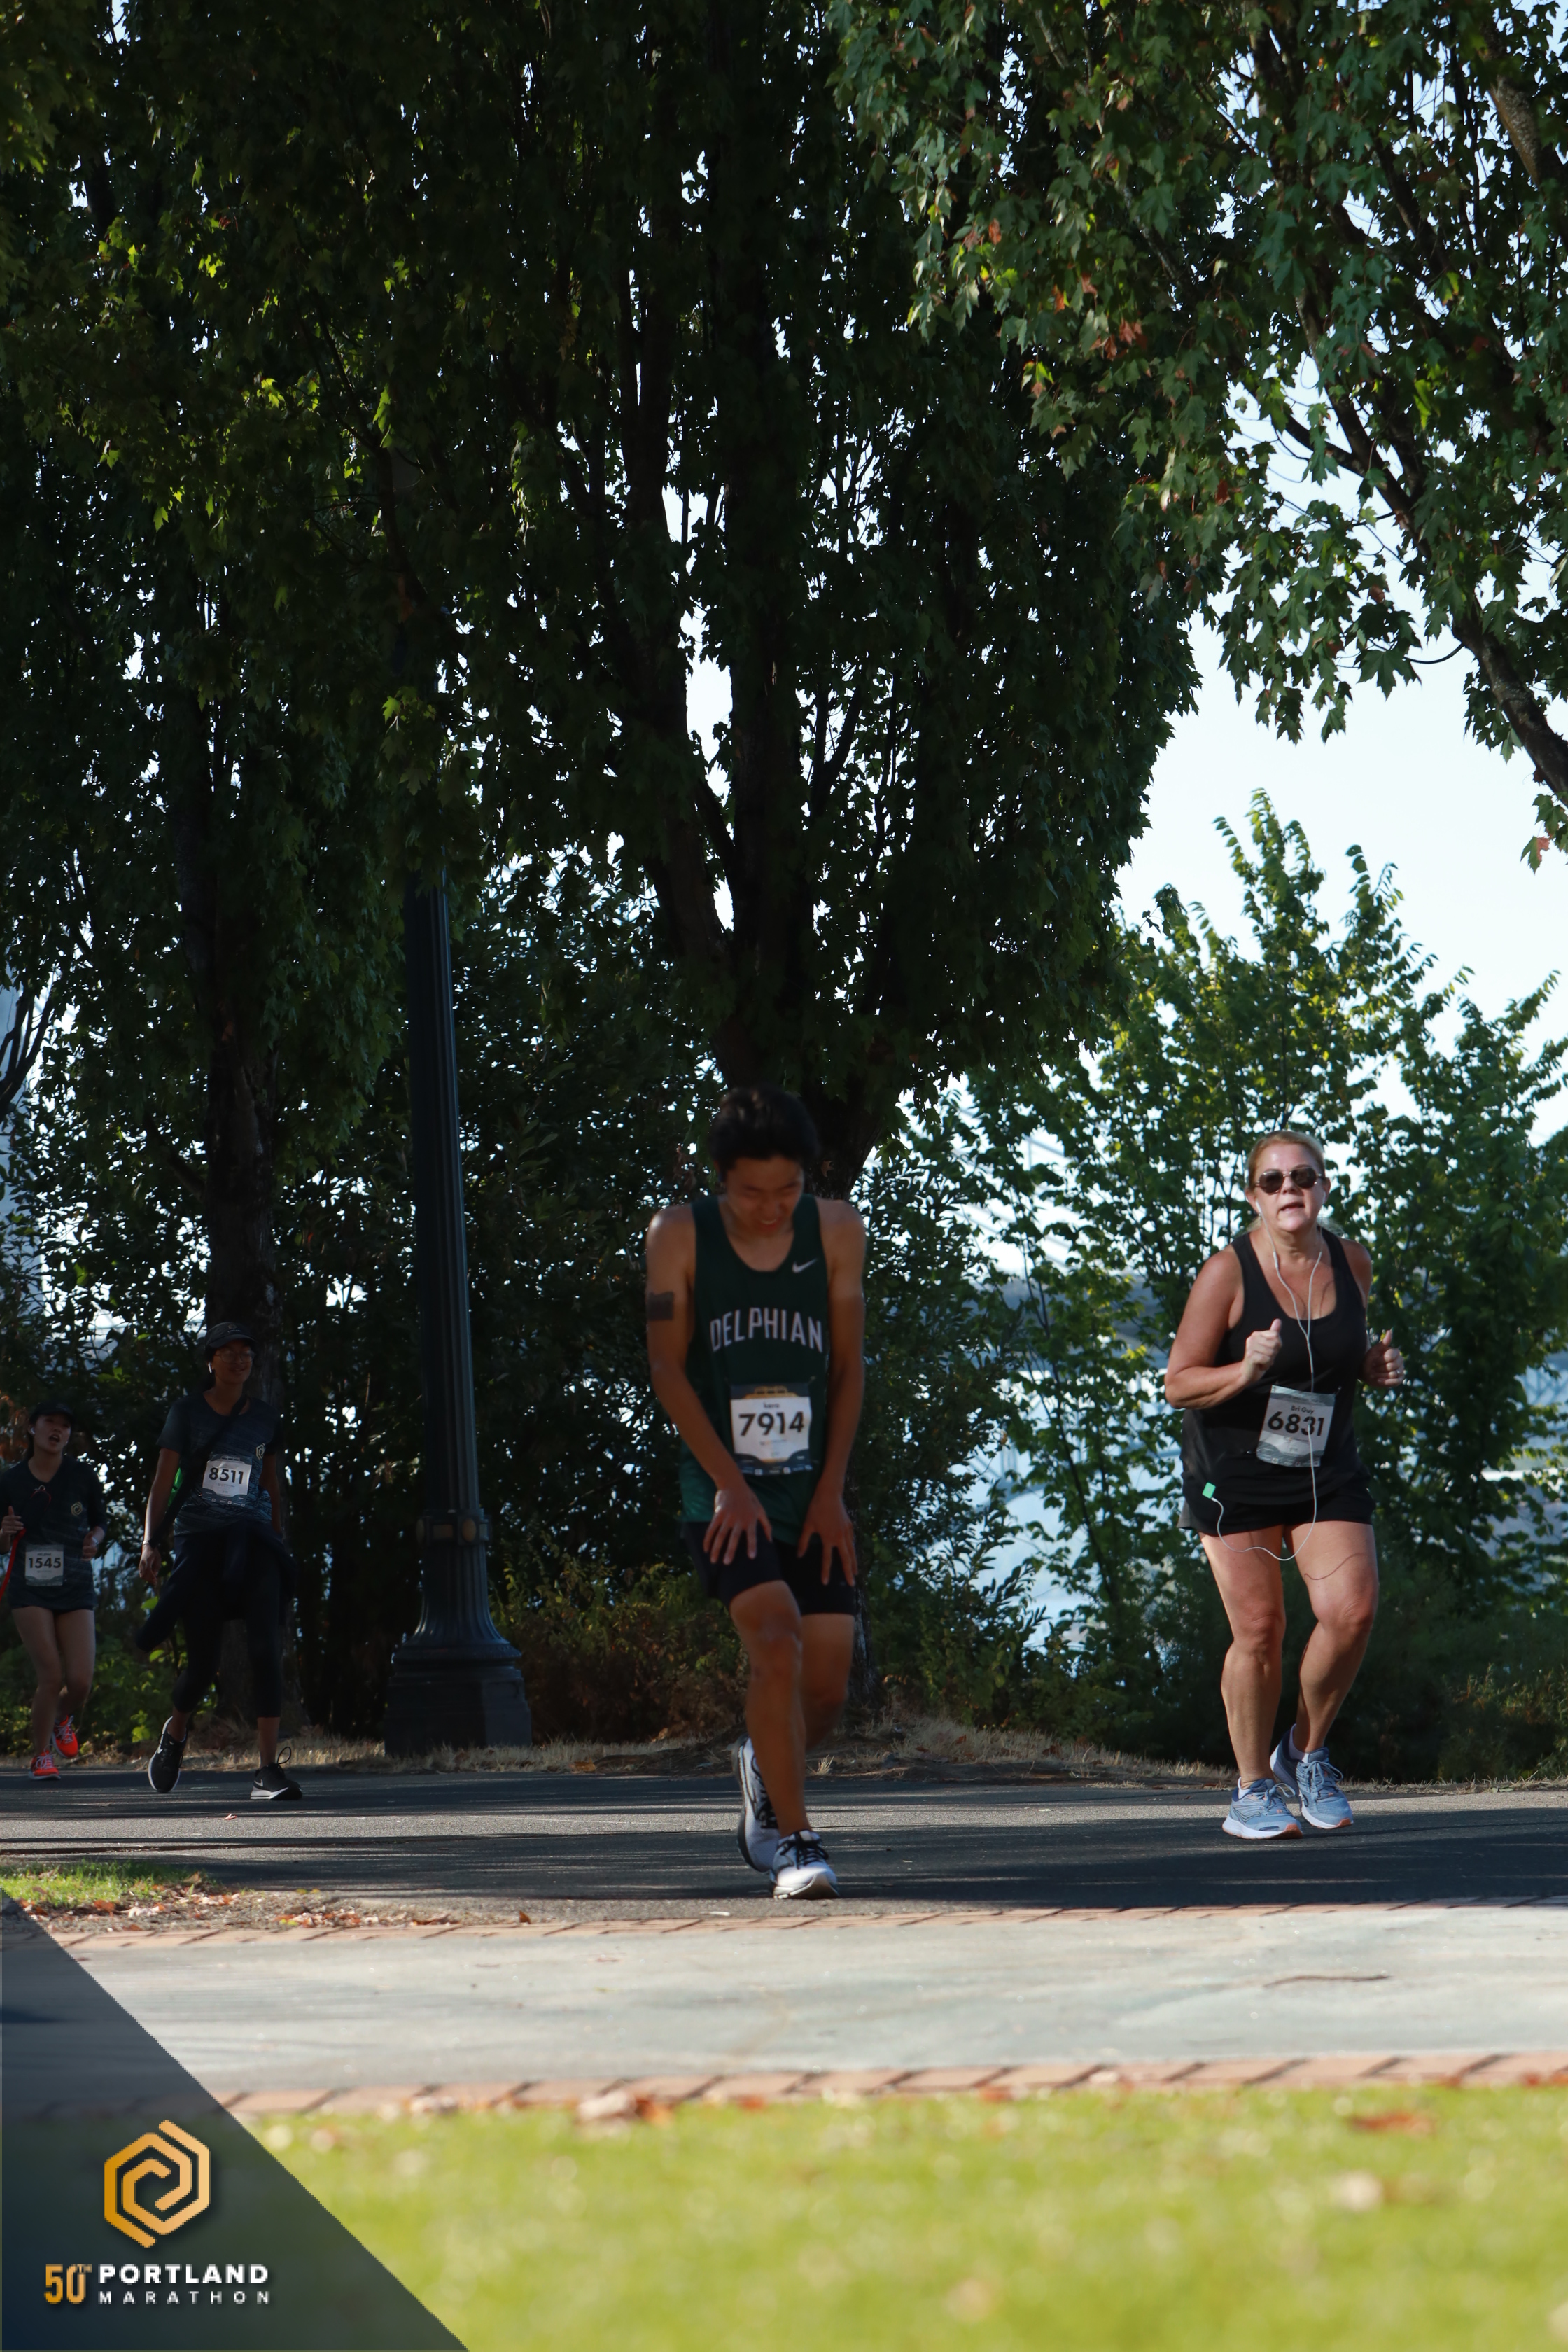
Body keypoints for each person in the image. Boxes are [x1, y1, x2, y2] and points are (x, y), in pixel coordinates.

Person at [645, 1084, 866, 1898]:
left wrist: (831, 1490)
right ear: (719, 1182)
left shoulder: (836, 1231)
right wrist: (728, 1485)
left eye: (787, 1190)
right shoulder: (677, 1235)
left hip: (810, 1490)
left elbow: (847, 1368)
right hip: (721, 1490)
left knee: (826, 1688)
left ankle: (761, 1763)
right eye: (750, 1193)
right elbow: (667, 1368)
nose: (771, 1209)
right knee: (775, 1640)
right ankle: (795, 1845)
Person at [1165, 1132, 1404, 1840]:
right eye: (1272, 1181)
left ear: (1323, 1186)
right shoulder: (1226, 1273)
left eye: (1302, 1176)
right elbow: (1178, 1383)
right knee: (1260, 1630)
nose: (1289, 1189)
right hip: (1231, 1473)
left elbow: (1334, 1354)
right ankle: (1251, 1790)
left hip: (1322, 1467)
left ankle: (1303, 1751)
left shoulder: (1350, 1261)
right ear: (1253, 1195)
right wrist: (1244, 1369)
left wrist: (1369, 1368)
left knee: (1352, 1612)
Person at [135, 1321, 302, 1802]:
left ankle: (267, 1770)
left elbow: (270, 1483)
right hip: (201, 1546)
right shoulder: (186, 1413)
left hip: (254, 1542)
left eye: (246, 1352)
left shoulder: (266, 1418)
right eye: (227, 1352)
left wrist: (276, 1539)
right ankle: (176, 1732)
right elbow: (162, 1483)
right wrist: (150, 1542)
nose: (238, 1359)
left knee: (266, 1649)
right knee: (204, 1663)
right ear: (211, 1361)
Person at [0, 1401, 106, 1782]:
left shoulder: (83, 1475)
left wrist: (94, 1540)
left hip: (75, 1584)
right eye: (50, 1422)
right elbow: (1, 1545)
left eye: (64, 1425)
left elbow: (100, 1522)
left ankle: (62, 1716)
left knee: (80, 1681)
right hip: (29, 1587)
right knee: (51, 1673)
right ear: (32, 1428)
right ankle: (41, 1755)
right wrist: (4, 1533)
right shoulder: (11, 1481)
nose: (57, 1430)